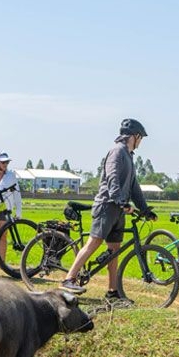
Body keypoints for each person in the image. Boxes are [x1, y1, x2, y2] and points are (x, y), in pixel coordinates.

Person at [60, 118, 153, 304]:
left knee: (114, 250)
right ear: (134, 136)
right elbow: (112, 179)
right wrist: (120, 201)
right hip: (106, 206)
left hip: (118, 209)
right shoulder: (117, 151)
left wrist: (145, 209)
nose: (141, 141)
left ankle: (112, 291)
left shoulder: (129, 155)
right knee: (94, 243)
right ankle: (69, 279)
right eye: (140, 138)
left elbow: (134, 187)